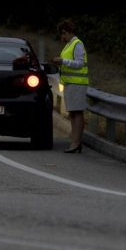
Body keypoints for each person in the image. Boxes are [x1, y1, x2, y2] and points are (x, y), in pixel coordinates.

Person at [52, 19, 88, 153]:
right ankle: (74, 141)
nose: (62, 38)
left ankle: (76, 142)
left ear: (66, 32)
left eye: (62, 34)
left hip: (77, 83)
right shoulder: (69, 45)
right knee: (73, 113)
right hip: (69, 83)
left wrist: (63, 61)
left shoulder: (77, 44)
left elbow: (79, 63)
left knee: (77, 113)